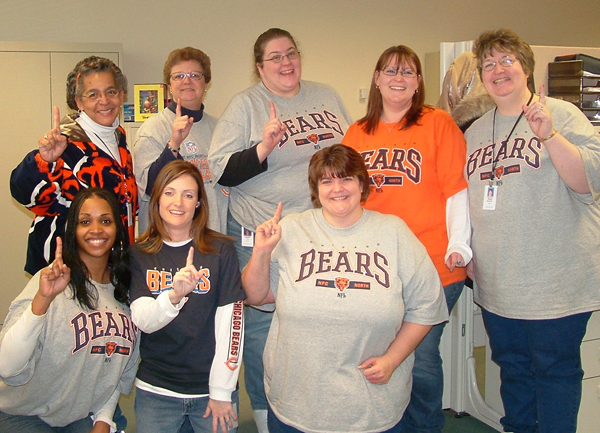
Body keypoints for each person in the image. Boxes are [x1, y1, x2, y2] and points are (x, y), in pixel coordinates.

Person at [241, 144, 448, 433]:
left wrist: (392, 359)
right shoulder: (292, 229)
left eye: (346, 178)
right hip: (297, 404)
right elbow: (255, 296)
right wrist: (261, 252)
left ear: (362, 184)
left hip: (373, 407)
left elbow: (427, 305)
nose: (337, 188)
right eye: (327, 181)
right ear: (316, 188)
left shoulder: (394, 231)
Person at [208, 28, 351, 432]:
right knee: (261, 326)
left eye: (291, 53)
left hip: (321, 232)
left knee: (317, 318)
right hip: (261, 232)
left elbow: (352, 152)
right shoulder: (246, 105)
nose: (286, 62)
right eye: (275, 57)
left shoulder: (326, 95)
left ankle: (315, 406)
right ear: (260, 67)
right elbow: (222, 171)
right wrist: (264, 148)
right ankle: (271, 416)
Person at [465, 28, 600, 433]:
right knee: (514, 373)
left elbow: (587, 183)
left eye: (506, 60)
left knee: (555, 374)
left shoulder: (562, 114)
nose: (497, 69)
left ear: (526, 68)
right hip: (499, 284)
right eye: (488, 64)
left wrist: (549, 136)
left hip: (556, 282)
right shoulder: (474, 131)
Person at [342, 45, 470, 433]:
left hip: (432, 265)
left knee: (422, 358)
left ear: (418, 83)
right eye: (391, 71)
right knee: (381, 357)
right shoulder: (356, 132)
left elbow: (456, 189)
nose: (399, 79)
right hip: (376, 269)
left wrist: (459, 245)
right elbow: (344, 197)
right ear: (377, 79)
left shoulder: (438, 123)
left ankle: (424, 428)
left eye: (408, 73)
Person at [0, 187, 139, 432]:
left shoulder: (128, 294)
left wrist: (104, 421)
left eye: (105, 221)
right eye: (85, 222)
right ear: (73, 230)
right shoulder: (50, 281)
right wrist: (42, 300)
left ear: (117, 229)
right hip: (22, 413)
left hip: (78, 416)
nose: (96, 229)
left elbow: (114, 373)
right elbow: (6, 367)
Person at [129, 160, 245, 433]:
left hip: (212, 393)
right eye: (169, 192)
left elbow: (233, 325)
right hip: (156, 391)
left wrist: (221, 390)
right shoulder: (140, 252)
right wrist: (173, 296)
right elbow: (143, 320)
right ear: (156, 200)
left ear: (199, 204)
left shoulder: (221, 251)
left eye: (188, 194)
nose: (178, 202)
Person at [10, 56, 138, 276]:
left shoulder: (119, 139)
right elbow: (26, 195)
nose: (104, 101)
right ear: (78, 101)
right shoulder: (65, 142)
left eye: (111, 91)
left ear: (121, 95)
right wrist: (44, 161)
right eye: (93, 94)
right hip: (64, 272)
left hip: (109, 266)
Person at [134, 46, 227, 235]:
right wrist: (173, 144)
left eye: (195, 75)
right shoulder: (153, 129)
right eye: (179, 76)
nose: (187, 81)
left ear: (206, 82)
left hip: (210, 241)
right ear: (169, 85)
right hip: (166, 245)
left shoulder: (221, 128)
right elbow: (150, 189)